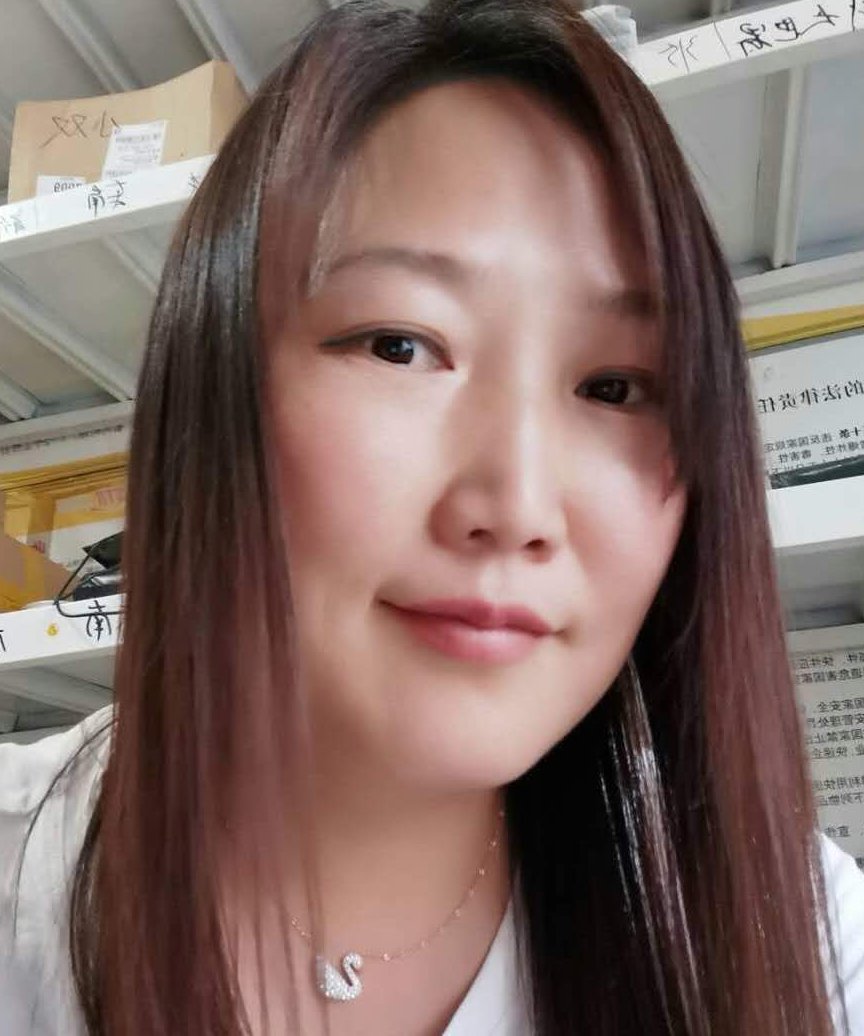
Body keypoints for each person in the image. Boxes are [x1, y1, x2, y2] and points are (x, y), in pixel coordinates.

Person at [2, 0, 864, 1033]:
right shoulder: (23, 885)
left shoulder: (797, 931)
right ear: (213, 383)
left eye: (616, 388)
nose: (517, 506)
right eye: (400, 345)